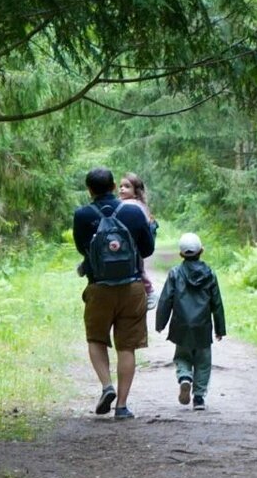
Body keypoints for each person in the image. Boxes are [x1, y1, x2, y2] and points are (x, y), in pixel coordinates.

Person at [72, 167, 155, 420]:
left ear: (90, 189)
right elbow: (148, 249)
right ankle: (122, 406)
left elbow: (81, 249)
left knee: (96, 339)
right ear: (111, 187)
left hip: (99, 288)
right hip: (131, 287)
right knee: (127, 346)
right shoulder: (132, 211)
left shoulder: (82, 215)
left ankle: (106, 386)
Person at [154, 232, 226, 411]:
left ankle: (185, 377)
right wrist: (220, 328)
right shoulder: (210, 273)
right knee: (203, 362)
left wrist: (160, 323)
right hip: (202, 326)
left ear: (181, 254)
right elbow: (216, 302)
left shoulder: (175, 273)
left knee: (182, 356)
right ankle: (199, 398)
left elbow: (165, 300)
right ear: (202, 251)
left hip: (181, 325)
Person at [117, 172, 159, 309]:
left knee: (139, 269)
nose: (122, 189)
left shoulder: (135, 205)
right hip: (129, 244)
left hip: (134, 246)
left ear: (136, 192)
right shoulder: (125, 203)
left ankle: (151, 292)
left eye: (127, 186)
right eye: (121, 186)